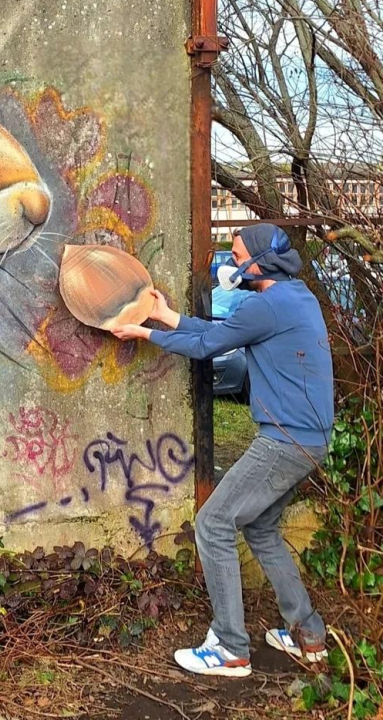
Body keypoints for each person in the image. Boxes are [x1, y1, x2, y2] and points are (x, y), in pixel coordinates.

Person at [113, 224, 334, 678]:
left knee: (213, 523)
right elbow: (222, 332)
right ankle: (307, 633)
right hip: (311, 440)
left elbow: (206, 345)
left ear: (261, 261)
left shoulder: (265, 304)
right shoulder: (296, 297)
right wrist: (167, 317)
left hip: (284, 440)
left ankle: (230, 648)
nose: (230, 264)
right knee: (262, 529)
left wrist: (144, 333)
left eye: (236, 255)